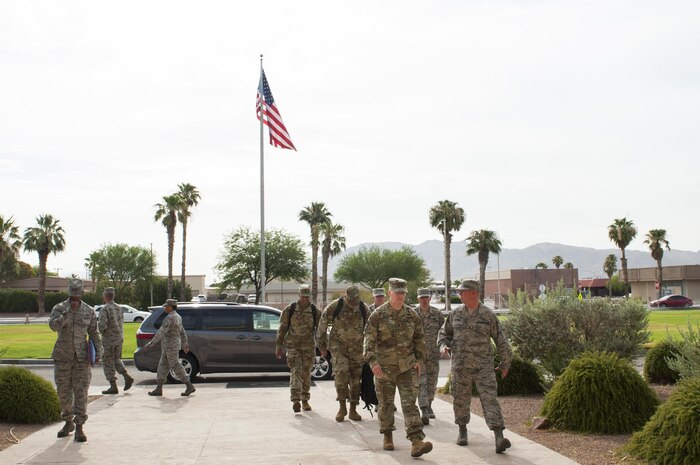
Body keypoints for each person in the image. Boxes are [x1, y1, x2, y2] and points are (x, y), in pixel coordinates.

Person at [437, 279, 513, 453]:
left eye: (463, 291)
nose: (460, 294)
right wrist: (444, 345)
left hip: (483, 367)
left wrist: (505, 363)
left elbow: (501, 340)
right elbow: (443, 334)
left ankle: (499, 436)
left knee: (490, 399)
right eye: (460, 291)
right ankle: (462, 431)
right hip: (460, 367)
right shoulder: (455, 314)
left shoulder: (488, 315)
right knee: (460, 400)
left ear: (474, 293)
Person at [364, 278, 433, 458]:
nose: (401, 296)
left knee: (410, 404)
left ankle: (416, 442)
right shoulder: (377, 315)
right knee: (386, 404)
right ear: (390, 293)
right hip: (384, 368)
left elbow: (419, 340)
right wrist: (373, 362)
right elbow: (368, 341)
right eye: (397, 292)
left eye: (403, 293)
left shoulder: (412, 315)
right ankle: (387, 435)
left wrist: (420, 361)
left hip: (407, 367)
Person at [49, 278, 103, 442]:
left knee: (81, 393)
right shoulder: (59, 308)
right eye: (72, 296)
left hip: (81, 359)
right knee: (63, 393)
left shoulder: (88, 311)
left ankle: (79, 427)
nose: (74, 300)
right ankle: (68, 422)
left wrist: (99, 351)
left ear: (81, 295)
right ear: (69, 294)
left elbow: (94, 332)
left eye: (77, 297)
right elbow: (53, 326)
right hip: (63, 357)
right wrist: (66, 314)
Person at [317, 285, 367, 422]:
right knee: (341, 375)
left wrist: (370, 348)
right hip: (338, 348)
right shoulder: (335, 306)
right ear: (345, 296)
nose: (352, 305)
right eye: (350, 301)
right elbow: (322, 325)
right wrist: (322, 346)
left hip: (357, 349)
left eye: (354, 302)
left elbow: (371, 329)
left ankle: (353, 409)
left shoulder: (363, 308)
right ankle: (342, 406)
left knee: (356, 381)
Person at [275, 284, 318, 413]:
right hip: (293, 347)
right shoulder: (290, 309)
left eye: (307, 297)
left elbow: (320, 330)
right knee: (295, 371)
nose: (305, 299)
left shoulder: (315, 311)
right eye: (303, 296)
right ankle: (296, 400)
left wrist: (323, 345)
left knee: (306, 374)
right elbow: (282, 329)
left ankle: (305, 400)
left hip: (308, 348)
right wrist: (278, 346)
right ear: (298, 295)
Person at [143, 299, 195, 397]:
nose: (165, 308)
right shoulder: (178, 317)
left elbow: (161, 332)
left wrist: (150, 344)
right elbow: (182, 331)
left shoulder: (170, 318)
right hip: (170, 346)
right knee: (163, 365)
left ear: (171, 307)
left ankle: (189, 386)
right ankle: (159, 388)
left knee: (175, 365)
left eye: (167, 306)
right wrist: (185, 343)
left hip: (171, 346)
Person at [98, 287, 134, 394]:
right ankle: (126, 376)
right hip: (119, 338)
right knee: (116, 359)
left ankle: (113, 385)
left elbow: (102, 326)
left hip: (109, 339)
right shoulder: (119, 308)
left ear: (105, 296)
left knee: (107, 362)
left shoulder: (105, 309)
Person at [415, 287, 443, 425]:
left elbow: (443, 332)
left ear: (430, 298)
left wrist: (444, 346)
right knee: (421, 382)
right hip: (418, 356)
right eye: (422, 297)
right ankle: (424, 409)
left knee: (432, 382)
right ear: (418, 299)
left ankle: (429, 404)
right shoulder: (413, 314)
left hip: (433, 354)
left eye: (426, 297)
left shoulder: (437, 314)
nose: (424, 300)